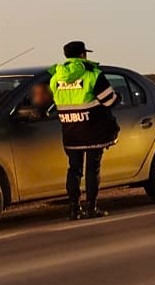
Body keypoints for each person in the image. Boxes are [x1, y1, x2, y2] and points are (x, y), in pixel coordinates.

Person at [48, 41, 120, 221]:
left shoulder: (56, 77)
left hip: (70, 130)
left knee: (74, 169)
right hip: (92, 129)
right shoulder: (93, 75)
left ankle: (74, 209)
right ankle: (91, 207)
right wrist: (118, 97)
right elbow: (109, 100)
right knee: (92, 169)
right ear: (82, 55)